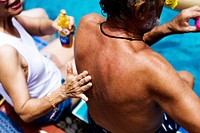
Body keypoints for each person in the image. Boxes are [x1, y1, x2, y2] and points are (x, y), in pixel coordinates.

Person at [74, 0, 200, 132]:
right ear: (141, 10)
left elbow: (120, 46)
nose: (162, 6)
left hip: (98, 127)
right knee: (187, 77)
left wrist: (168, 27)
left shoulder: (86, 24)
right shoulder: (153, 68)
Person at [0, 0, 92, 124]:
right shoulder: (5, 53)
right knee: (92, 58)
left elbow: (38, 27)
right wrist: (65, 91)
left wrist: (55, 25)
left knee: (77, 43)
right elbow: (25, 112)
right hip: (50, 106)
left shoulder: (8, 18)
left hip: (45, 72)